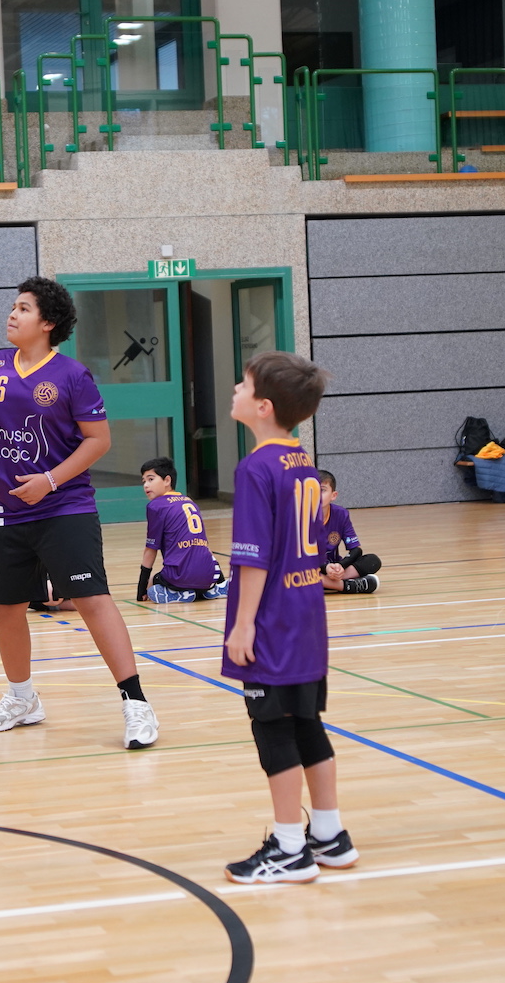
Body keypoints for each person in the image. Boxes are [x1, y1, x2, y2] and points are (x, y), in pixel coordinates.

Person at [0, 277, 158, 750]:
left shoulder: (71, 375)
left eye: (23, 309)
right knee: (6, 607)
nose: (12, 315)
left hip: (65, 507)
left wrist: (49, 480)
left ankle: (136, 703)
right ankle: (23, 698)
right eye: (13, 306)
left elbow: (98, 440)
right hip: (11, 512)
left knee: (92, 600)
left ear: (46, 323)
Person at [221, 351, 356, 884]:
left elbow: (252, 556)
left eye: (243, 384)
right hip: (308, 617)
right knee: (307, 723)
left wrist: (243, 623)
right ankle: (330, 835)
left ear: (263, 407)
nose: (235, 388)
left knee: (272, 728)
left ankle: (289, 847)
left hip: (273, 620)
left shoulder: (255, 468)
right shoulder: (301, 460)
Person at [136, 457, 227, 603]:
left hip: (180, 575)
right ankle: (211, 589)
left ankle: (181, 594)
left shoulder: (156, 506)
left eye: (151, 479)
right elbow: (206, 548)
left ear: (167, 480)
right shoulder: (190, 501)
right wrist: (219, 579)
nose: (146, 485)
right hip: (208, 575)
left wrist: (141, 590)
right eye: (144, 481)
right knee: (200, 557)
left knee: (153, 584)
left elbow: (150, 549)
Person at [315, 469, 381, 595]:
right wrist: (325, 568)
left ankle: (327, 583)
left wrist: (340, 566)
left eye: (322, 490)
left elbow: (356, 550)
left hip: (335, 568)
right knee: (292, 570)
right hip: (313, 568)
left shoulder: (341, 514)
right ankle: (347, 586)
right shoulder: (299, 518)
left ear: (333, 495)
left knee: (372, 560)